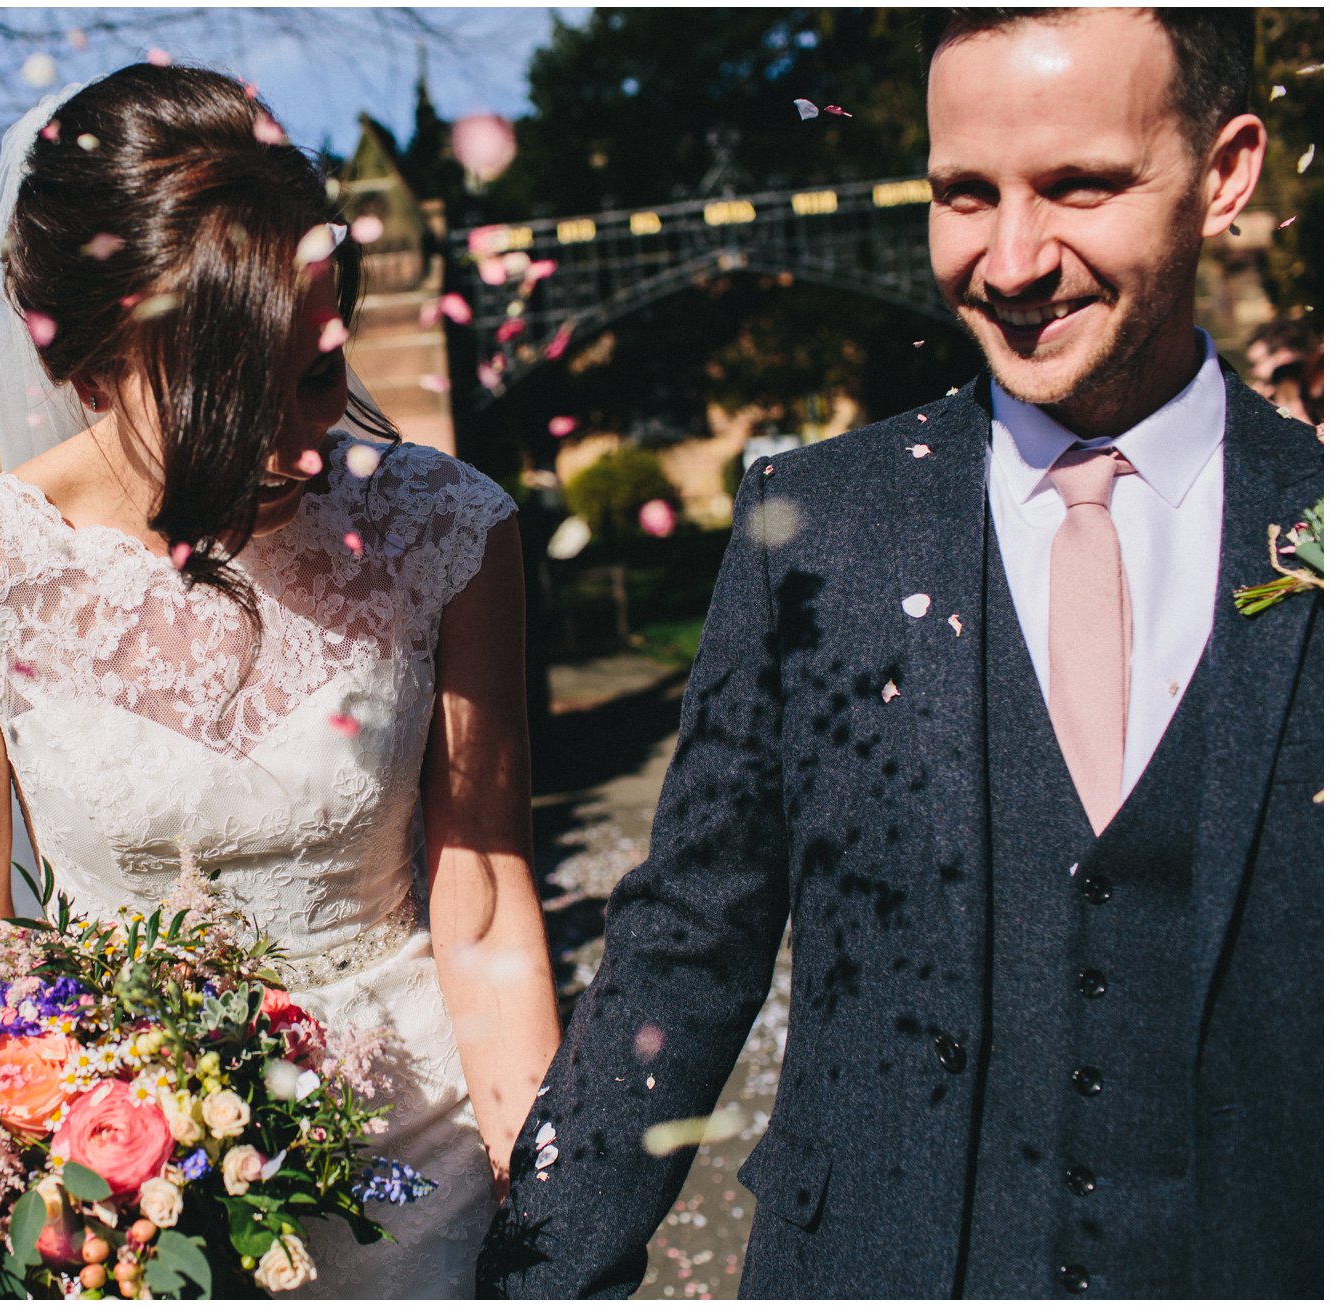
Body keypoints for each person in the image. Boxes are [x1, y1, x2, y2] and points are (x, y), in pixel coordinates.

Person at [483, 9, 1319, 1299]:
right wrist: (536, 1277)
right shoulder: (811, 527)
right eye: (964, 194)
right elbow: (689, 933)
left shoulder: (1310, 518)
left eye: (1080, 186)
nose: (1012, 258)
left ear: (1224, 174)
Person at [0, 63, 561, 1295]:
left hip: (427, 1160)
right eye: (238, 396)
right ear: (82, 365)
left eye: (315, 372)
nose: (305, 440)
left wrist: (543, 1199)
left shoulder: (446, 533)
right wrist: (74, 1172)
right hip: (150, 1195)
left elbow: (486, 889)